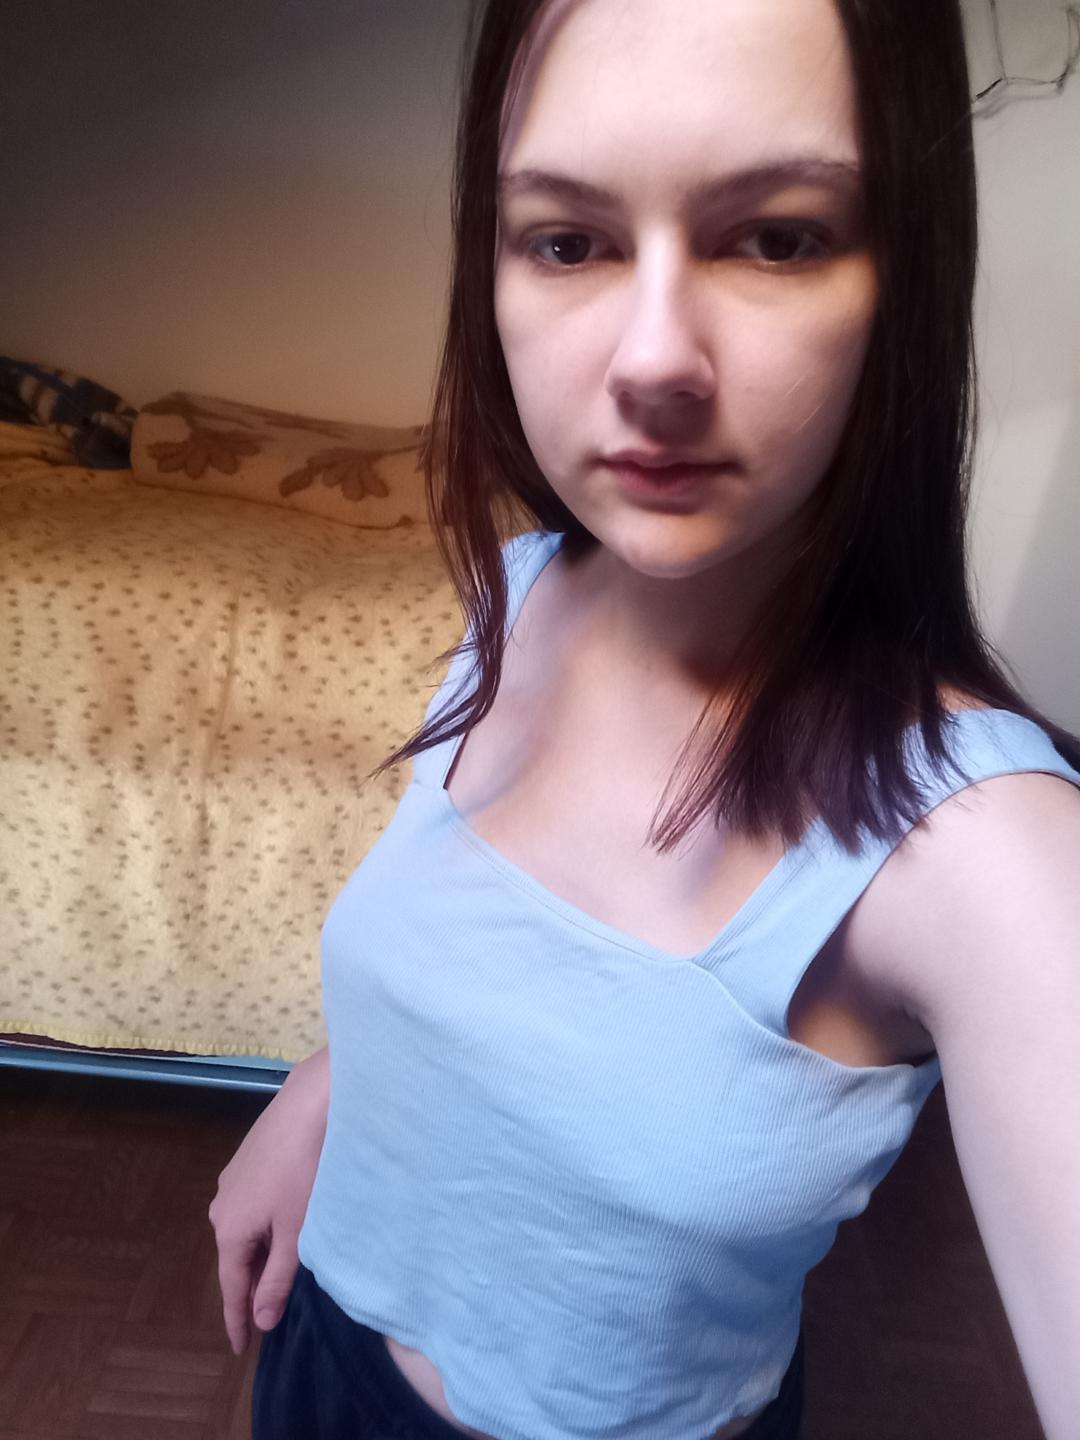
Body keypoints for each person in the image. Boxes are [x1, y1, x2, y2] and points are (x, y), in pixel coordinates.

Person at [208, 0, 1080, 1436]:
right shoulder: (518, 591)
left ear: (905, 279)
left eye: (778, 238)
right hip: (319, 1357)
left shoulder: (991, 853)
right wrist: (325, 1089)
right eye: (569, 242)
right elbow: (485, 971)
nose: (654, 360)